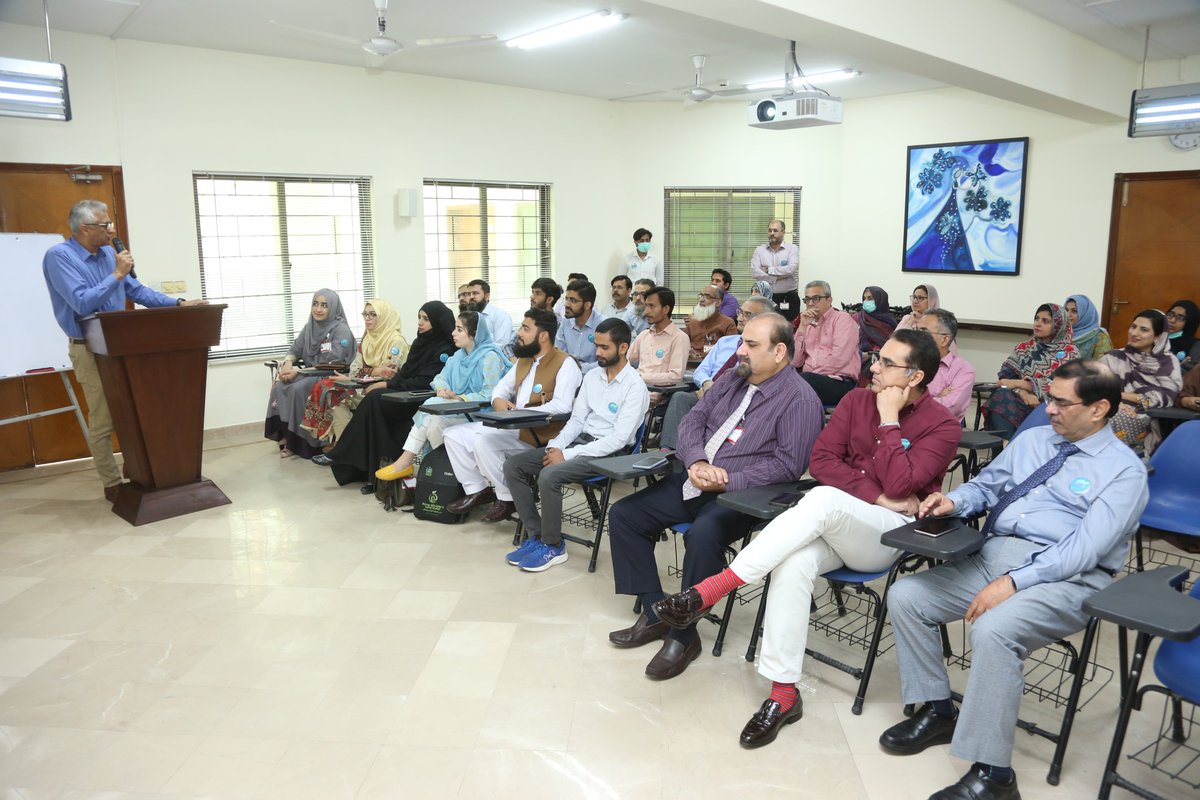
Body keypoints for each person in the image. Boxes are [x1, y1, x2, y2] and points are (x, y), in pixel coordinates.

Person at [652, 329, 960, 746]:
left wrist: (889, 420)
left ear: (915, 377)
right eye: (877, 358)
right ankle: (783, 696)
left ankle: (710, 590)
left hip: (887, 535)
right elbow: (821, 461)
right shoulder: (855, 401)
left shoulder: (941, 423)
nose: (875, 367)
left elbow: (904, 482)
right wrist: (878, 495)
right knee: (793, 562)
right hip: (840, 519)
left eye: (887, 364)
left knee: (824, 499)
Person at [878, 360, 1148, 800]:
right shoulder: (1034, 440)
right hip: (993, 556)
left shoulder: (1123, 471)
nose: (1049, 410)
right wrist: (954, 502)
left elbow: (1084, 550)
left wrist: (1015, 581)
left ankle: (994, 775)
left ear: (1099, 409)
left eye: (1061, 402)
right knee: (908, 595)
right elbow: (987, 486)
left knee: (994, 630)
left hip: (1065, 578)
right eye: (1049, 399)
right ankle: (938, 709)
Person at [606, 314, 824, 680]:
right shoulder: (734, 379)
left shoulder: (800, 400)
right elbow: (693, 419)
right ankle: (656, 610)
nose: (740, 350)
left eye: (751, 345)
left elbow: (787, 467)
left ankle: (683, 635)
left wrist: (727, 479)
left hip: (745, 495)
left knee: (703, 534)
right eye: (742, 342)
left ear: (780, 351)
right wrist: (697, 460)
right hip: (696, 479)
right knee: (625, 515)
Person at [42, 199, 205, 501]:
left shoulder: (108, 253)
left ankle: (139, 469)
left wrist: (180, 304)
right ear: (84, 228)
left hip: (124, 345)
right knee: (103, 416)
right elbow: (81, 302)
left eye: (110, 224)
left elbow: (137, 290)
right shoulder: (59, 257)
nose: (112, 230)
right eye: (105, 225)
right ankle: (111, 482)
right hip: (89, 347)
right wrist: (116, 273)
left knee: (134, 407)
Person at [504, 319, 651, 572]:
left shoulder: (635, 386)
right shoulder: (593, 376)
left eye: (605, 348)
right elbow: (576, 421)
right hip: (581, 443)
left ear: (624, 347)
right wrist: (555, 447)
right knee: (513, 465)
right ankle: (536, 534)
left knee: (550, 475)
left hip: (611, 454)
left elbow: (618, 439)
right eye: (597, 346)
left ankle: (553, 545)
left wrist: (568, 454)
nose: (598, 353)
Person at [444, 309, 582, 523]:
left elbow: (562, 405)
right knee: (452, 435)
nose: (519, 333)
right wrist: (499, 403)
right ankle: (478, 490)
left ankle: (507, 497)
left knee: (483, 440)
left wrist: (520, 413)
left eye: (526, 328)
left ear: (543, 336)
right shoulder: (524, 360)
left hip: (542, 433)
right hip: (515, 426)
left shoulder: (566, 363)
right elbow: (499, 390)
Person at [326, 302, 455, 489]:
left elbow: (425, 382)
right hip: (405, 393)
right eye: (419, 317)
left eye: (426, 319)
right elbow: (406, 374)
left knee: (375, 399)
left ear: (437, 321)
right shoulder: (420, 343)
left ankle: (343, 455)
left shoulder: (445, 349)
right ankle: (374, 476)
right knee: (376, 406)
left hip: (420, 398)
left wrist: (386, 383)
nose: (420, 322)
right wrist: (389, 381)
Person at [374, 311, 510, 481]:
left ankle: (409, 464)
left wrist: (460, 399)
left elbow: (491, 393)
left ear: (474, 334)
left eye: (459, 329)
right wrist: (443, 390)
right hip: (456, 411)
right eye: (454, 328)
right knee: (433, 421)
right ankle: (443, 473)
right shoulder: (458, 356)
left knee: (431, 406)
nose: (453, 333)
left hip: (482, 414)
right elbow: (440, 378)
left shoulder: (490, 357)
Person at [660, 296, 775, 450]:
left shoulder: (765, 350)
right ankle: (669, 453)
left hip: (733, 399)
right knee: (680, 397)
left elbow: (748, 380)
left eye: (747, 315)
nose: (740, 318)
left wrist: (714, 391)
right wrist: (707, 384)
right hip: (707, 392)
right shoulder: (725, 342)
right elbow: (701, 370)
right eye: (740, 312)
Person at [304, 299, 408, 457]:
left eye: (373, 315)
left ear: (385, 317)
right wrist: (375, 371)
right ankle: (346, 448)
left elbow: (389, 374)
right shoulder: (367, 339)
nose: (368, 318)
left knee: (335, 394)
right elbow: (354, 370)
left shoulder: (396, 341)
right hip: (363, 388)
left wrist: (368, 373)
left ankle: (346, 449)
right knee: (331, 393)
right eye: (365, 314)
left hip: (385, 392)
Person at [265, 289, 356, 459]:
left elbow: (333, 363)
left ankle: (304, 443)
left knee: (298, 389)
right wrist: (288, 363)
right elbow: (294, 349)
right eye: (315, 304)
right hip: (308, 373)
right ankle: (286, 435)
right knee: (279, 384)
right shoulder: (310, 327)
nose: (318, 309)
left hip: (329, 375)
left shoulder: (340, 329)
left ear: (333, 308)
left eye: (324, 305)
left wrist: (298, 373)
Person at [984, 303, 1078, 439]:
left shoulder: (1070, 353)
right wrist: (1023, 393)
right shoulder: (1024, 348)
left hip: (1051, 404)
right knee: (1001, 396)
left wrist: (1022, 384)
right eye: (1036, 319)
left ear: (1058, 325)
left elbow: (1062, 386)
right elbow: (1006, 377)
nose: (1038, 324)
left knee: (1044, 410)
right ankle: (1003, 452)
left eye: (1045, 321)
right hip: (1023, 400)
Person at [1100, 309, 1182, 457]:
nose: (1134, 333)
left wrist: (1118, 396)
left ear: (1158, 336)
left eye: (1143, 330)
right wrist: (1115, 402)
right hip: (1111, 406)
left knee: (1114, 418)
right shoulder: (1113, 358)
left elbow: (1165, 397)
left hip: (1147, 416)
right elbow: (1095, 387)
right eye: (1133, 327)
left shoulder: (1168, 362)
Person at [792, 280, 861, 406]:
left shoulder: (842, 319)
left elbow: (839, 358)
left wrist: (807, 377)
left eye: (816, 299)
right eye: (807, 300)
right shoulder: (807, 324)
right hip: (810, 380)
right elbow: (795, 361)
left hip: (840, 382)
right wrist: (801, 328)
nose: (810, 304)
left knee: (801, 383)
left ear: (829, 300)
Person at [915, 309, 976, 422]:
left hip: (937, 429)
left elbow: (949, 408)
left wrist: (912, 403)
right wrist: (936, 398)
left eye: (923, 331)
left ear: (944, 339)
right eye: (916, 330)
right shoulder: (908, 361)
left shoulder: (963, 370)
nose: (915, 336)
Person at [627, 287, 689, 396]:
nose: (646, 312)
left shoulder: (679, 337)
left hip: (659, 396)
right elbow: (625, 361)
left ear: (665, 309)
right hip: (633, 390)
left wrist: (641, 377)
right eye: (646, 306)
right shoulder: (643, 335)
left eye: (651, 306)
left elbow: (676, 376)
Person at [750, 219, 800, 320]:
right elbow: (755, 272)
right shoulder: (759, 250)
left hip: (788, 298)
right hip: (765, 298)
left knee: (788, 328)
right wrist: (777, 277)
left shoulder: (792, 249)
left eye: (775, 231)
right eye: (770, 230)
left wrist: (769, 270)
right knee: (765, 326)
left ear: (783, 232)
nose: (772, 233)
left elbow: (791, 269)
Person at [555, 279, 605, 372]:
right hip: (569, 375)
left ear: (587, 305)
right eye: (567, 299)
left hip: (596, 377)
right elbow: (558, 354)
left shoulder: (603, 325)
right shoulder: (566, 323)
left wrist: (581, 368)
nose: (566, 304)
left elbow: (606, 361)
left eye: (573, 300)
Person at [683, 285, 737, 356]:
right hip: (691, 364)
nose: (701, 300)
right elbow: (682, 347)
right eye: (701, 295)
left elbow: (729, 352)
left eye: (707, 297)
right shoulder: (692, 323)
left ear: (718, 302)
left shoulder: (728, 323)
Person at [465, 279, 514, 349]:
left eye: (475, 293)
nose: (471, 297)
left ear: (487, 296)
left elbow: (501, 346)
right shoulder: (469, 318)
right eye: (469, 294)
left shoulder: (500, 316)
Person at [1063, 294, 1113, 360]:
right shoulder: (1060, 332)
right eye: (1066, 310)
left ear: (1085, 314)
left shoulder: (1099, 336)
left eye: (1074, 311)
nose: (1068, 314)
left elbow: (1104, 366)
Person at [855, 286, 899, 355]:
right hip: (858, 358)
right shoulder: (857, 318)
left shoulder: (890, 322)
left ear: (880, 300)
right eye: (864, 298)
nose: (866, 301)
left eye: (870, 298)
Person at [1166, 299, 1200, 373]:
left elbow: (1191, 375)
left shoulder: (1196, 346)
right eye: (1170, 314)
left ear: (1189, 322)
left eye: (1180, 318)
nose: (1172, 320)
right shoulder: (1154, 337)